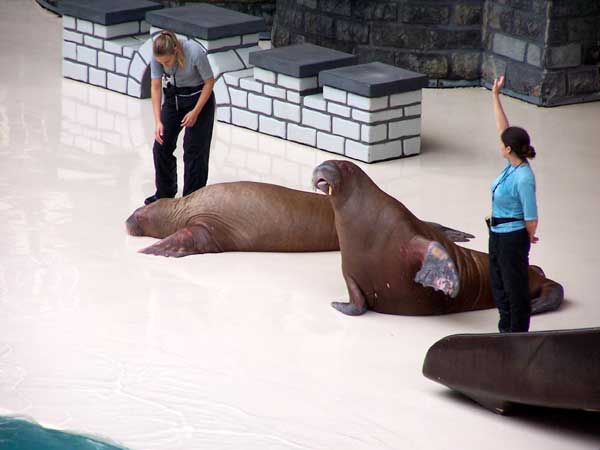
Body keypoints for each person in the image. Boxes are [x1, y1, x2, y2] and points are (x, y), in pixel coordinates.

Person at [488, 76, 538, 333]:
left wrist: (528, 236)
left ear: (509, 149)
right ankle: (505, 331)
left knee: (515, 289)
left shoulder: (524, 178)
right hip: (497, 234)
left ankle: (518, 336)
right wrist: (495, 96)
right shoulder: (512, 164)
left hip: (512, 237)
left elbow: (532, 217)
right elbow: (503, 129)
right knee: (498, 287)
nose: (499, 144)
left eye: (502, 144)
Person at [145, 30, 216, 205]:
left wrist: (195, 112)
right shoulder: (157, 57)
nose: (164, 65)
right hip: (174, 99)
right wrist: (158, 121)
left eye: (167, 62)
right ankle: (165, 193)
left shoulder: (195, 52)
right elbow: (155, 86)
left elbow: (209, 82)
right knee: (161, 144)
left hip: (200, 99)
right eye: (161, 63)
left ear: (176, 50)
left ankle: (192, 199)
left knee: (193, 150)